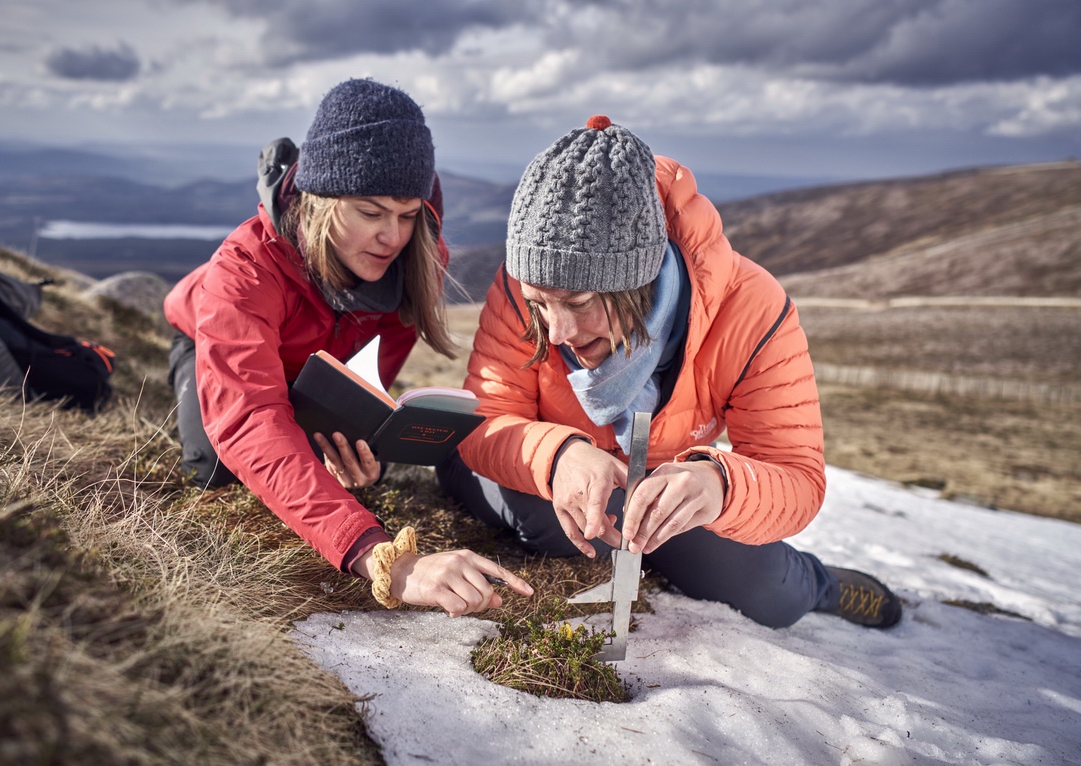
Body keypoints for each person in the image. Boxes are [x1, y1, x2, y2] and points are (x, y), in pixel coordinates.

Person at [437, 115, 900, 629]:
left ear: (638, 279)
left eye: (579, 302)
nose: (558, 329)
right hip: (547, 477)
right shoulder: (520, 288)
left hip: (666, 489)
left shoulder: (750, 308)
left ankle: (822, 586)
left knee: (771, 592)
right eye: (539, 304)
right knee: (557, 522)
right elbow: (487, 420)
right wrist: (559, 456)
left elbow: (796, 475)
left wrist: (715, 483)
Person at [163, 78, 533, 616]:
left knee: (316, 455)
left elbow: (362, 380)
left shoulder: (415, 261)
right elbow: (250, 420)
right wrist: (379, 555)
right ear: (320, 200)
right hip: (208, 338)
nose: (393, 237)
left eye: (408, 215)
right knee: (218, 468)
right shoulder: (244, 270)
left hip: (307, 372)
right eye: (371, 212)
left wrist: (352, 437)